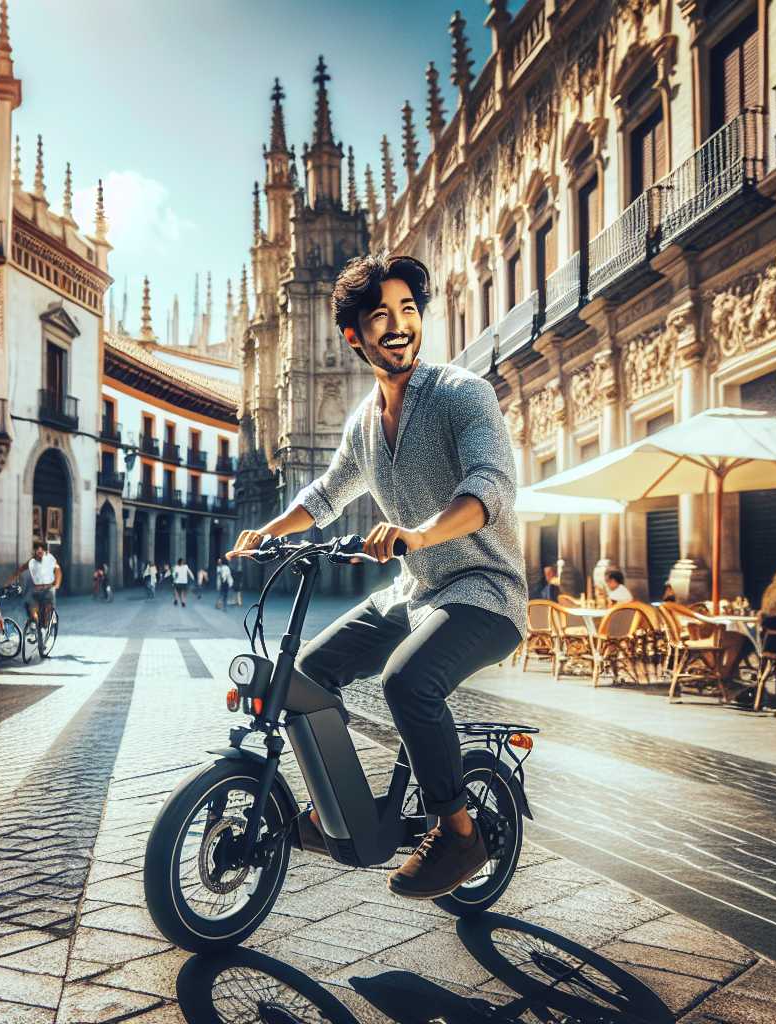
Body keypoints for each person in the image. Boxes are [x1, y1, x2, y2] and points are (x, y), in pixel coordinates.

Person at [228, 253, 524, 900]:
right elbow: (329, 493)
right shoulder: (365, 421)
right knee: (302, 677)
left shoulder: (460, 394)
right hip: (414, 592)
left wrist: (418, 534)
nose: (398, 326)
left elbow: (490, 487)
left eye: (409, 312)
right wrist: (267, 534)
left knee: (407, 682)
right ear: (354, 335)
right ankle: (337, 809)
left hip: (483, 591)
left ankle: (458, 832)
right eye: (381, 315)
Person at [6, 541, 61, 630]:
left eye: (41, 552)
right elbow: (19, 571)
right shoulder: (31, 562)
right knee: (30, 605)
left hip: (48, 588)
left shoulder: (50, 559)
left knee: (48, 606)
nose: (39, 554)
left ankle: (47, 621)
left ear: (44, 552)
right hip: (36, 589)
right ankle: (34, 623)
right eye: (37, 551)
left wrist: (57, 584)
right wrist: (7, 583)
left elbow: (58, 571)